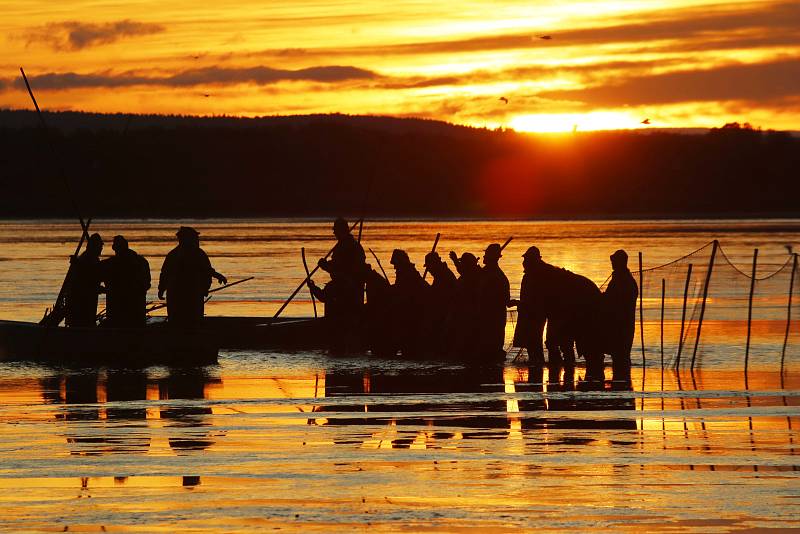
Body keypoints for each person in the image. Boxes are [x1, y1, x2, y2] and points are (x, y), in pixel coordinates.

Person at [158, 227, 226, 327]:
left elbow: (164, 274)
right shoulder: (197, 253)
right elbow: (207, 270)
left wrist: (161, 289)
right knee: (191, 321)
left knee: (178, 321)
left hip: (180, 294)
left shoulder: (173, 254)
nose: (197, 240)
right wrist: (215, 279)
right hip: (190, 294)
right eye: (195, 237)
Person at [317, 217, 366, 320]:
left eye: (335, 230)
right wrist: (326, 265)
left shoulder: (349, 247)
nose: (334, 233)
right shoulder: (345, 245)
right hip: (348, 287)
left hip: (348, 289)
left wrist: (326, 266)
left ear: (341, 230)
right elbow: (337, 265)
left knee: (328, 296)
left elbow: (342, 268)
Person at [602, 249, 638, 382]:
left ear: (620, 263)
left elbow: (612, 301)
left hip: (621, 328)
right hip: (622, 327)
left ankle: (622, 388)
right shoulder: (620, 279)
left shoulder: (624, 281)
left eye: (614, 261)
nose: (612, 263)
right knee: (620, 359)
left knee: (620, 359)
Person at [100, 235, 151, 327]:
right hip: (137, 310)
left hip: (117, 310)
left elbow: (95, 276)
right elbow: (147, 284)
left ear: (114, 248)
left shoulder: (110, 264)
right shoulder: (142, 261)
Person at [389, 249, 429, 356]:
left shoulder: (407, 273)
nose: (394, 267)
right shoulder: (405, 272)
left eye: (395, 264)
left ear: (400, 262)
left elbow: (403, 292)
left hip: (413, 311)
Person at [476, 243, 511, 360]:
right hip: (487, 319)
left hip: (493, 320)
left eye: (486, 255)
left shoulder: (498, 277)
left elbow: (504, 300)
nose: (484, 257)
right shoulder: (486, 273)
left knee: (492, 350)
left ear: (492, 258)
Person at [64, 233, 104, 328]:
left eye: (101, 246)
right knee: (82, 323)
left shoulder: (90, 259)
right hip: (81, 302)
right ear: (93, 246)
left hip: (87, 300)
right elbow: (87, 281)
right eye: (99, 246)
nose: (101, 249)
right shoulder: (86, 260)